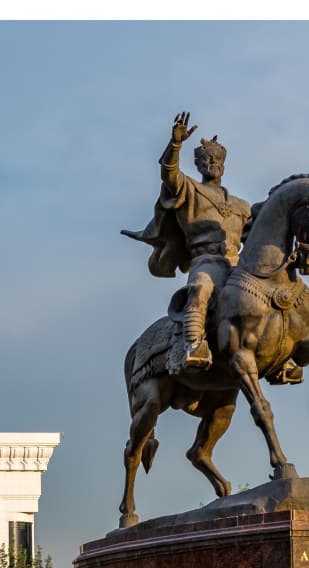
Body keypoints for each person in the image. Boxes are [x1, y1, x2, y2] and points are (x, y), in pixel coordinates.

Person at [122, 112, 263, 375]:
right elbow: (169, 174)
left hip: (235, 264)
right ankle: (193, 344)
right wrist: (175, 145)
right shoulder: (190, 190)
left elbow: (260, 233)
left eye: (216, 159)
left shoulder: (241, 206)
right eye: (206, 159)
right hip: (206, 262)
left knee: (266, 295)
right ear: (198, 164)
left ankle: (281, 353)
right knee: (199, 289)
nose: (212, 162)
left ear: (223, 164)